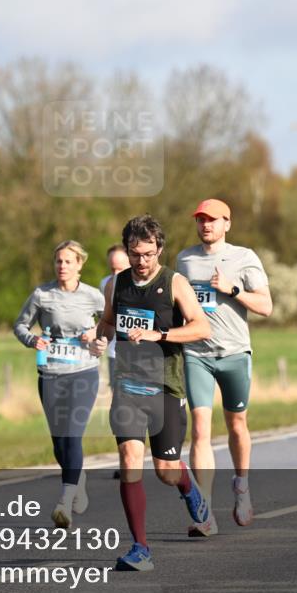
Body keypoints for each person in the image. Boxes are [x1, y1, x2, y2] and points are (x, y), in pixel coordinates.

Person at [95, 214, 212, 571]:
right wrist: (99, 337)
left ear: (159, 249)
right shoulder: (116, 284)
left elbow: (201, 327)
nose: (141, 261)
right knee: (130, 460)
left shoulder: (174, 282)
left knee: (165, 471)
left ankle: (190, 491)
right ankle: (140, 548)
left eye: (147, 254)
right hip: (128, 387)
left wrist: (158, 335)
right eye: (135, 254)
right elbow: (109, 321)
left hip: (165, 386)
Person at [176, 198, 272, 536]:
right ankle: (204, 512)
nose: (206, 225)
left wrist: (232, 290)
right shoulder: (184, 260)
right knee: (200, 428)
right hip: (196, 354)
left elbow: (266, 306)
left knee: (236, 425)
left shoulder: (244, 257)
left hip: (234, 354)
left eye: (212, 220)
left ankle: (242, 485)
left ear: (227, 223)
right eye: (200, 219)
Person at [14, 241, 107, 528]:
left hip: (84, 371)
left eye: (68, 261)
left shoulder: (94, 296)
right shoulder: (42, 294)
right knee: (58, 442)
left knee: (72, 434)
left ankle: (64, 503)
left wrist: (97, 334)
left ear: (80, 264)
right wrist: (32, 339)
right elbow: (20, 325)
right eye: (59, 261)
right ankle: (77, 477)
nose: (62, 266)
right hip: (51, 373)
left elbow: (111, 324)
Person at [99, 244, 130, 386]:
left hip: (143, 353)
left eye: (120, 269)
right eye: (112, 269)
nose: (116, 274)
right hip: (114, 352)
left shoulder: (146, 285)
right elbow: (103, 318)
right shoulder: (105, 284)